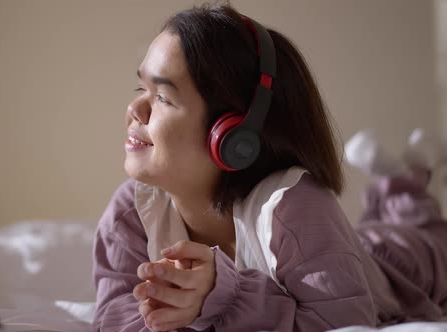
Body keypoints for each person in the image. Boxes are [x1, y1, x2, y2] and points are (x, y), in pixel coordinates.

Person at [92, 3, 447, 331]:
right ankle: (401, 182)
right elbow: (114, 318)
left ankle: (405, 184)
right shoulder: (131, 214)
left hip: (400, 265)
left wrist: (225, 296)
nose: (135, 109)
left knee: (430, 241)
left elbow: (343, 322)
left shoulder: (294, 206)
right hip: (346, 247)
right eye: (140, 87)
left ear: (232, 135)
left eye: (164, 97)